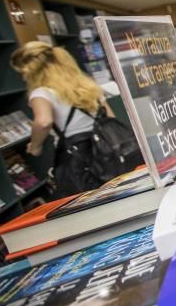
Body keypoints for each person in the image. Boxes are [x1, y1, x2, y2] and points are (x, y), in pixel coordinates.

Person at [10, 42, 117, 197]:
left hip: (76, 156)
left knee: (85, 201)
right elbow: (110, 116)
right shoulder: (86, 85)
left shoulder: (41, 93)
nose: (23, 77)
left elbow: (43, 122)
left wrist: (35, 146)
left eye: (23, 73)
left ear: (32, 70)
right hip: (106, 149)